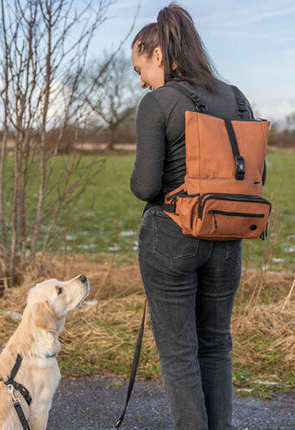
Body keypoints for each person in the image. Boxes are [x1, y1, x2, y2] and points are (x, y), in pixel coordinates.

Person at [130, 3, 256, 430]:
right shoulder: (237, 98)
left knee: (180, 354)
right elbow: (253, 173)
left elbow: (147, 187)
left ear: (159, 55)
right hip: (228, 237)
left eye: (140, 68)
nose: (141, 81)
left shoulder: (158, 104)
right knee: (216, 346)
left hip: (171, 240)